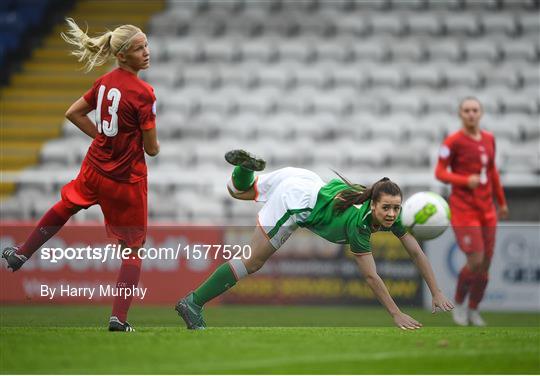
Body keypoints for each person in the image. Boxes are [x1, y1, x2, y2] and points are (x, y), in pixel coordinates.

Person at [175, 150, 454, 330]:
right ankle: (193, 302)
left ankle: (245, 169)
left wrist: (436, 291)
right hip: (296, 201)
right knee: (252, 262)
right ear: (372, 205)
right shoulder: (359, 226)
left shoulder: (394, 214)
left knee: (239, 191)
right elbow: (371, 277)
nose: (392, 213)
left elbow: (416, 253)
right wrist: (396, 313)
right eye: (386, 208)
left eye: (396, 207)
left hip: (305, 180)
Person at [1, 18, 159, 332]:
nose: (146, 52)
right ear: (123, 55)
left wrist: (102, 136)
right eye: (139, 48)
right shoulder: (144, 93)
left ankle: (21, 254)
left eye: (146, 45)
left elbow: (73, 112)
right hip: (126, 180)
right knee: (133, 250)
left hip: (95, 168)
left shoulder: (104, 83)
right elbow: (151, 149)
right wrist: (143, 140)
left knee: (66, 205)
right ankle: (119, 319)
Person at [435, 97, 508, 327]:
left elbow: (492, 171)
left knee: (485, 265)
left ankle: (473, 309)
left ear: (481, 113)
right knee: (475, 261)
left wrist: (501, 201)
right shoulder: (453, 141)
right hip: (464, 210)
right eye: (466, 110)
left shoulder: (489, 139)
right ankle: (458, 304)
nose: (471, 114)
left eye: (475, 110)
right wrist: (465, 179)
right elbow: (440, 172)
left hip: (487, 210)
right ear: (460, 114)